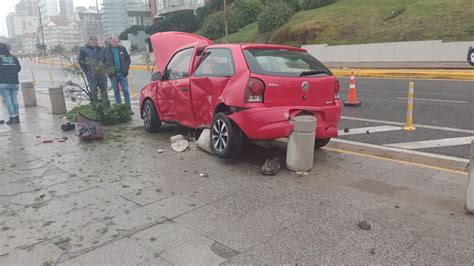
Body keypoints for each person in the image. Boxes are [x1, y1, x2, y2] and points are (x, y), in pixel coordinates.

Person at [103, 35, 132, 114]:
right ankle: (119, 108)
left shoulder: (122, 48)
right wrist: (108, 70)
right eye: (114, 41)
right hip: (113, 75)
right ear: (110, 41)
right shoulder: (106, 50)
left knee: (125, 90)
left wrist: (126, 68)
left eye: (117, 41)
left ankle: (128, 108)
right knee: (116, 91)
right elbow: (103, 61)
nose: (116, 42)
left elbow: (128, 59)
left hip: (122, 73)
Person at [78, 36, 109, 106]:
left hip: (101, 73)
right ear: (89, 42)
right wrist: (86, 70)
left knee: (104, 89)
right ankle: (95, 105)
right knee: (93, 90)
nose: (94, 44)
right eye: (93, 42)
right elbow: (81, 61)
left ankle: (106, 105)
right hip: (91, 74)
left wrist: (104, 68)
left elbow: (105, 59)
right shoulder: (84, 49)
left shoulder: (101, 49)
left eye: (96, 42)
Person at [0, 43, 21, 125]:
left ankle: (12, 117)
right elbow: (18, 68)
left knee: (8, 100)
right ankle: (17, 116)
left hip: (3, 82)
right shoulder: (13, 58)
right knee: (14, 99)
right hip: (14, 81)